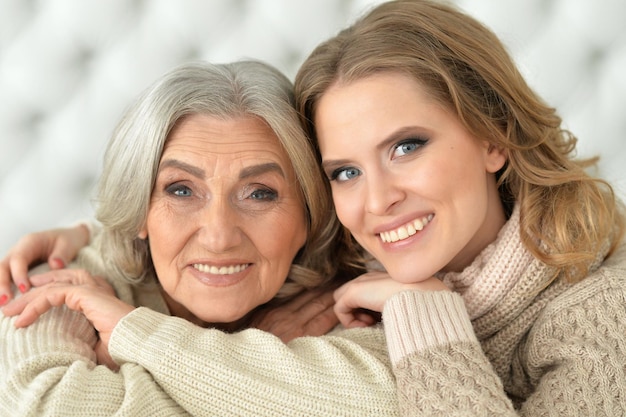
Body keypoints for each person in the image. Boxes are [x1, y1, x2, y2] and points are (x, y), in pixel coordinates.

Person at [0, 60, 400, 416]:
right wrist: (262, 369)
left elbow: (395, 403)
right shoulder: (61, 284)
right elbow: (47, 408)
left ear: (309, 215)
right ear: (139, 208)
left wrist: (136, 337)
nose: (219, 237)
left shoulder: (351, 298)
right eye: (181, 190)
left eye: (260, 193)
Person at [293, 0, 626, 415]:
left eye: (406, 147)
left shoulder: (606, 310)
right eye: (346, 173)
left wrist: (428, 314)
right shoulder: (348, 293)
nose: (378, 201)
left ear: (494, 138)